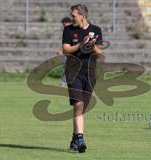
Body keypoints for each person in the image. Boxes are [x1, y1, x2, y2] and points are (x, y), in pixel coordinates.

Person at [62, 4, 102, 153]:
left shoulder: (96, 30)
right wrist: (80, 44)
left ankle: (74, 139)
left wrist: (92, 47)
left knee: (82, 108)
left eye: (74, 15)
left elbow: (99, 54)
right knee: (78, 105)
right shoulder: (69, 30)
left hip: (90, 72)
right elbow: (66, 50)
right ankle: (80, 139)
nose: (72, 18)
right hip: (73, 71)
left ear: (82, 16)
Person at [57, 17, 72, 87]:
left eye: (64, 24)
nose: (63, 25)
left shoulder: (73, 30)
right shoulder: (67, 30)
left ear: (68, 22)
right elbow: (65, 43)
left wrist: (60, 50)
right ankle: (64, 82)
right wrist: (60, 50)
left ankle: (64, 82)